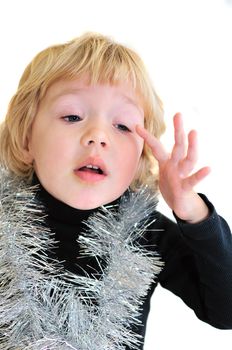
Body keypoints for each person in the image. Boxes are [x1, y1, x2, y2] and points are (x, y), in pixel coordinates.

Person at [0, 32, 231, 350]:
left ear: (141, 156)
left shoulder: (148, 233)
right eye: (72, 116)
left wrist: (192, 212)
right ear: (27, 139)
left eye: (122, 126)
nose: (97, 135)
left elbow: (225, 310)